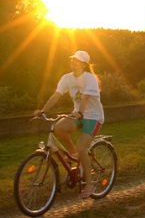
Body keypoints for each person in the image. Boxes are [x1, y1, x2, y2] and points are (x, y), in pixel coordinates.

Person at [34, 50, 104, 199]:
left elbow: (85, 98)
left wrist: (80, 112)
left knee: (82, 147)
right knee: (58, 128)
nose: (73, 62)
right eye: (72, 59)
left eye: (77, 60)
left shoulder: (90, 78)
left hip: (93, 116)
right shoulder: (66, 78)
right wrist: (43, 110)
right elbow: (56, 95)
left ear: (84, 64)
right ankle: (73, 153)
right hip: (78, 114)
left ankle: (89, 185)